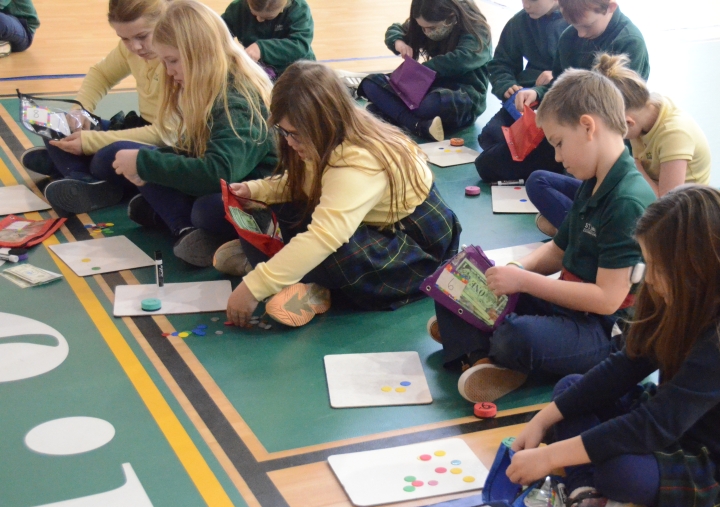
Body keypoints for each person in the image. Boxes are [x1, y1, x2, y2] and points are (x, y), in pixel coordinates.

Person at [507, 185, 720, 507]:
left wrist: (552, 459)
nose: (651, 279)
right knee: (570, 390)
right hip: (688, 426)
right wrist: (543, 418)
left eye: (659, 268)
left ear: (697, 268)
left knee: (619, 472)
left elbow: (655, 425)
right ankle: (590, 496)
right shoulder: (680, 295)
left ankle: (611, 497)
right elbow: (623, 367)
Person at [429, 68, 654, 403]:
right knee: (454, 286)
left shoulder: (627, 200)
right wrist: (516, 269)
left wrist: (523, 283)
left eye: (559, 144)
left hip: (604, 331)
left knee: (516, 336)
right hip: (567, 304)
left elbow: (607, 299)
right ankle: (483, 358)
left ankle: (479, 344)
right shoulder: (594, 180)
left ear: (588, 127)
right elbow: (558, 250)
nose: (559, 157)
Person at [192, 62, 461, 328]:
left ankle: (315, 287)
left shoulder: (358, 163)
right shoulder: (330, 136)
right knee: (276, 209)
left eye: (295, 134)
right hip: (365, 225)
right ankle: (290, 272)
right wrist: (256, 190)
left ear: (323, 123)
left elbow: (323, 238)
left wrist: (253, 288)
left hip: (410, 246)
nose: (288, 142)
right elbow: (305, 183)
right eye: (284, 132)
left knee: (331, 255)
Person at [96, 0, 277, 266]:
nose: (169, 72)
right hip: (227, 183)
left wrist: (146, 164)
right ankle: (185, 226)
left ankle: (182, 223)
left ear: (199, 54)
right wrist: (147, 164)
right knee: (127, 157)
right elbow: (198, 152)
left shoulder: (238, 101)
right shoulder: (211, 86)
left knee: (206, 210)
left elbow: (219, 172)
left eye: (172, 61)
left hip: (260, 198)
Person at [528, 53, 709, 236]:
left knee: (558, 220)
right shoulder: (643, 118)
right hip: (641, 195)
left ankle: (578, 233)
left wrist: (636, 166)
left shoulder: (675, 133)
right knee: (538, 181)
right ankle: (578, 230)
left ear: (626, 122)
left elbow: (666, 206)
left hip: (672, 221)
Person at [474, 0, 648, 183]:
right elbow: (558, 82)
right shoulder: (569, 36)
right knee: (487, 160)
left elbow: (620, 110)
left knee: (496, 166)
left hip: (593, 135)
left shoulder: (630, 42)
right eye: (574, 26)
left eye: (586, 26)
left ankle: (564, 167)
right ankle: (560, 164)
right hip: (564, 126)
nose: (580, 33)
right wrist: (538, 93)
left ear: (611, 7)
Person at [22, 0, 168, 213]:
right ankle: (83, 176)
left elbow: (166, 134)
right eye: (124, 38)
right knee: (57, 123)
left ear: (166, 23)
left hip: (164, 143)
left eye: (142, 36)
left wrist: (91, 142)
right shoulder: (134, 49)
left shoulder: (177, 59)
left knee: (107, 156)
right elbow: (102, 73)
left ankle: (76, 170)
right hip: (142, 129)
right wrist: (80, 110)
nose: (135, 47)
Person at [357, 0, 491, 142]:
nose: (426, 33)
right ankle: (418, 126)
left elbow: (461, 59)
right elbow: (396, 29)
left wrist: (420, 70)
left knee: (429, 105)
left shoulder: (476, 29)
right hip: (429, 83)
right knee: (370, 83)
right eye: (422, 28)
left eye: (431, 28)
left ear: (451, 17)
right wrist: (399, 42)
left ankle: (392, 111)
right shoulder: (425, 25)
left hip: (464, 95)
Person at [476, 0, 567, 154]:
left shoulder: (576, 24)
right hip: (526, 99)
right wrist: (506, 84)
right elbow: (501, 63)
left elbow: (587, 71)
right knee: (490, 137)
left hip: (560, 101)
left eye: (533, 1)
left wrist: (558, 74)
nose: (526, 5)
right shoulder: (520, 21)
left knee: (543, 145)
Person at [221, 0, 314, 79]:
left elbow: (300, 45)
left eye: (268, 17)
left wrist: (262, 48)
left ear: (283, 7)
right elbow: (220, 32)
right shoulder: (238, 7)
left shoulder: (298, 9)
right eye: (253, 13)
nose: (259, 19)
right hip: (259, 71)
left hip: (297, 70)